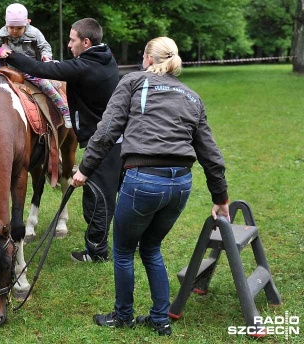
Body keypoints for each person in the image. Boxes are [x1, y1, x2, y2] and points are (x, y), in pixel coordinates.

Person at [70, 37, 230, 336]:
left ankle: (123, 316)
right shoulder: (192, 96)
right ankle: (160, 320)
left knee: (122, 250)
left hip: (144, 180)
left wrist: (85, 169)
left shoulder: (133, 82)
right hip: (180, 184)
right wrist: (221, 198)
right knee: (152, 247)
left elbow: (107, 130)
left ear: (147, 58)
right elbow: (211, 154)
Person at [6, 18, 121, 262]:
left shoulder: (86, 67)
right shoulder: (105, 57)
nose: (69, 44)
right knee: (104, 194)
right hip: (112, 138)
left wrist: (9, 55)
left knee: (98, 198)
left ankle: (97, 253)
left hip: (103, 142)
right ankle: (109, 244)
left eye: (72, 40)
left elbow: (43, 71)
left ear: (86, 42)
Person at [0, 3, 72, 128]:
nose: (14, 31)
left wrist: (46, 57)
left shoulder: (34, 33)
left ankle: (65, 111)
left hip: (31, 70)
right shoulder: (2, 33)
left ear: (26, 23)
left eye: (19, 28)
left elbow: (44, 46)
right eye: (11, 27)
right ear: (6, 24)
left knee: (47, 87)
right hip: (9, 70)